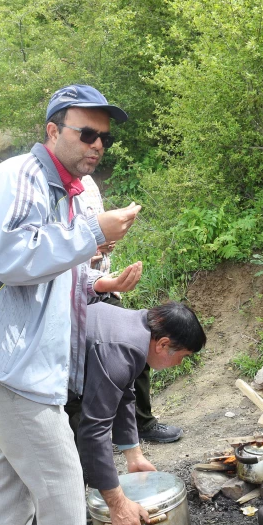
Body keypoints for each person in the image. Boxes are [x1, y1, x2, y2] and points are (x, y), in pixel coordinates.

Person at [0, 84, 143, 525]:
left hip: (27, 365)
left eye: (104, 138)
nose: (97, 145)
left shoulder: (67, 191)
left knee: (11, 491)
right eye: (86, 133)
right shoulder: (23, 176)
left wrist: (100, 281)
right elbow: (14, 261)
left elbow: (54, 269)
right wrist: (95, 232)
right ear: (52, 132)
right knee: (62, 483)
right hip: (9, 364)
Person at [22, 301, 206, 525]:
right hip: (30, 387)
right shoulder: (121, 349)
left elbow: (124, 393)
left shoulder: (137, 328)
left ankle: (67, 512)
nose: (179, 363)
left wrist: (134, 454)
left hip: (61, 380)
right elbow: (94, 430)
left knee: (77, 451)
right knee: (61, 461)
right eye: (182, 356)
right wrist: (117, 504)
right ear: (163, 344)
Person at [78, 180, 185, 443]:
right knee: (84, 364)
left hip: (103, 287)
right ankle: (91, 433)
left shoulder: (88, 182)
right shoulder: (47, 187)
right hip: (73, 294)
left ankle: (141, 424)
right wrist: (86, 250)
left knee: (139, 346)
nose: (95, 148)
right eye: (88, 137)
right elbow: (48, 250)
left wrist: (106, 242)